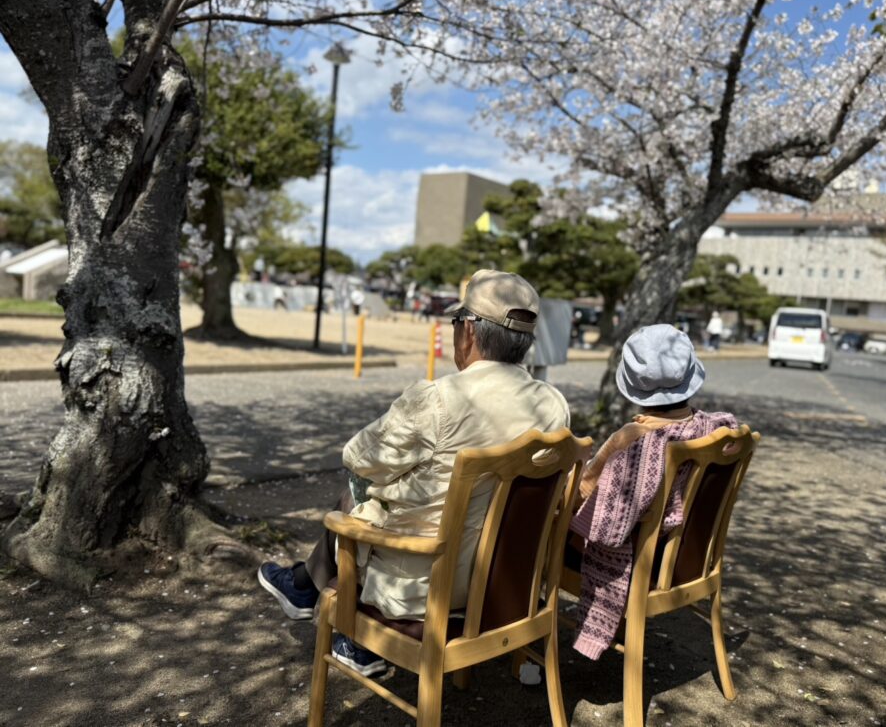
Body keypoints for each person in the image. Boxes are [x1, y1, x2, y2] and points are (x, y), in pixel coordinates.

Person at [257, 269, 571, 676]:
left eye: (457, 321)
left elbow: (357, 456)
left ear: (469, 333)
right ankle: (305, 589)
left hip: (422, 592)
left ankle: (316, 596)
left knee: (359, 493)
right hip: (507, 584)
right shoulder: (552, 404)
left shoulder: (440, 399)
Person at [567, 324, 738, 660]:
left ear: (632, 386)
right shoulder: (715, 430)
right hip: (688, 556)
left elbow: (584, 495)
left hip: (639, 562)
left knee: (552, 527)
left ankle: (531, 637)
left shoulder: (630, 440)